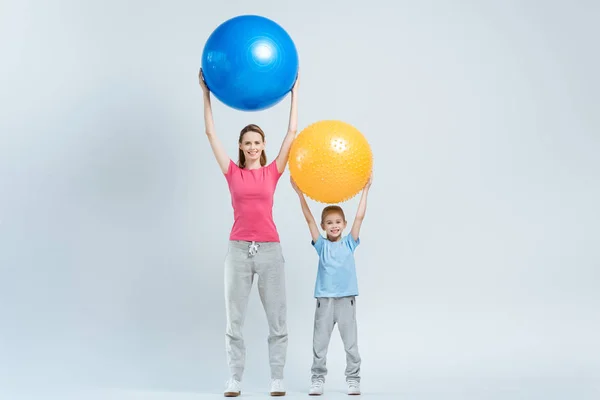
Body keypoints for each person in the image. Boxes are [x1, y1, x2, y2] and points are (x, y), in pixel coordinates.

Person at [198, 68, 299, 397]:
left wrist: (294, 90)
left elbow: (292, 132)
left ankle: (277, 378)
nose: (253, 147)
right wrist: (206, 93)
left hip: (269, 250)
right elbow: (211, 135)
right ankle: (235, 378)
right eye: (247, 143)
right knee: (235, 319)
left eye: (257, 142)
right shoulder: (232, 173)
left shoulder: (273, 172)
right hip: (239, 251)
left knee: (277, 319)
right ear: (240, 147)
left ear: (263, 145)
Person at [290, 175, 372, 396]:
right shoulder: (321, 245)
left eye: (338, 222)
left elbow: (360, 217)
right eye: (329, 223)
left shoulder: (349, 242)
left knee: (351, 343)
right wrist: (300, 194)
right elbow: (308, 220)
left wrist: (365, 190)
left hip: (346, 300)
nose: (334, 226)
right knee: (320, 343)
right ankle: (317, 379)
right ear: (323, 226)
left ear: (344, 224)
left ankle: (353, 379)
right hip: (324, 301)